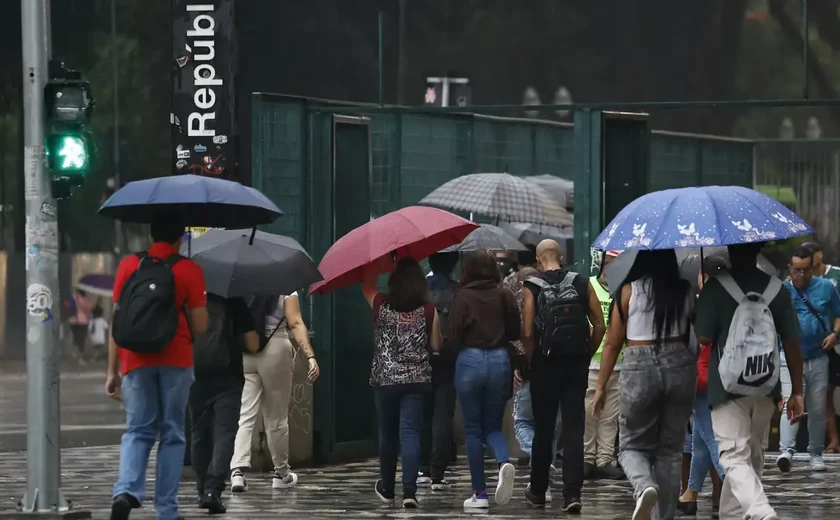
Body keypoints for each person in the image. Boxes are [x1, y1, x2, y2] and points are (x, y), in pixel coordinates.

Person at [106, 215, 208, 520]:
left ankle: (126, 492)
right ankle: (166, 510)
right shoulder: (189, 270)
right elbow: (201, 326)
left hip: (135, 360)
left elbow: (117, 323)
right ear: (181, 238)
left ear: (151, 235)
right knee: (172, 433)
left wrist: (112, 371)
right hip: (175, 359)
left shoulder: (129, 266)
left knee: (138, 430)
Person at [695, 242, 805, 520]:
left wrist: (701, 308)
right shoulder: (776, 289)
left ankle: (760, 511)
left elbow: (704, 337)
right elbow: (792, 342)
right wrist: (797, 391)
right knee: (753, 457)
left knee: (733, 457)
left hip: (727, 388)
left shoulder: (716, 287)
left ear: (729, 250)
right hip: (767, 385)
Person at [591, 249, 694, 520]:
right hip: (679, 365)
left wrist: (601, 386)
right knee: (670, 451)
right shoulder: (684, 290)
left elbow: (613, 343)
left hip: (640, 364)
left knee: (631, 447)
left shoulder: (628, 290)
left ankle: (644, 486)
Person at [524, 240, 606, 513]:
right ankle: (572, 494)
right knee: (573, 429)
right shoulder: (582, 283)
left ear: (538, 260)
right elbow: (600, 324)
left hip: (544, 366)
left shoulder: (532, 288)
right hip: (575, 366)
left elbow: (526, 333)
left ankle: (537, 491)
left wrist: (533, 359)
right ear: (561, 256)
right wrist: (586, 354)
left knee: (543, 429)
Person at [361, 257, 441, 508]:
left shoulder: (380, 304)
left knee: (387, 434)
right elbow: (437, 345)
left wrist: (378, 261)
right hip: (417, 380)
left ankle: (386, 487)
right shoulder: (429, 309)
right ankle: (409, 491)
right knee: (410, 434)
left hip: (385, 379)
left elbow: (366, 284)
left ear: (394, 281)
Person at [449, 249, 521, 510]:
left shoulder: (462, 295)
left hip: (470, 360)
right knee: (493, 427)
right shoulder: (504, 294)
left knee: (472, 429)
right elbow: (515, 331)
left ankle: (479, 494)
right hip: (500, 360)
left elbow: (453, 335)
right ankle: (504, 461)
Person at [229, 292, 320, 492]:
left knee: (245, 414)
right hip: (275, 346)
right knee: (276, 417)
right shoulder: (285, 283)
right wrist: (310, 355)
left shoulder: (242, 279)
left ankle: (237, 472)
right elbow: (295, 322)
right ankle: (281, 473)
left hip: (245, 347)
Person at [189, 294, 260, 514]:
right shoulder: (234, 302)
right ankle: (213, 489)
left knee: (198, 434)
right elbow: (253, 344)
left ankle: (202, 491)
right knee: (225, 434)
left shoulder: (186, 301)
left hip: (194, 376)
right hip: (228, 378)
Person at [776, 245, 840, 472]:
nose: (801, 275)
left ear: (812, 267)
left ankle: (815, 452)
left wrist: (834, 334)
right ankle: (786, 451)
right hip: (789, 357)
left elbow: (838, 314)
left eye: (806, 270)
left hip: (818, 356)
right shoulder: (782, 291)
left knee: (817, 407)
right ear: (790, 269)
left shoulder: (826, 287)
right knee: (790, 401)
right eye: (797, 270)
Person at [678, 255, 728, 516]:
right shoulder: (730, 300)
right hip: (722, 376)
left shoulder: (701, 303)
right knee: (698, 440)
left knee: (711, 439)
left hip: (701, 380)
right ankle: (690, 493)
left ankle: (735, 490)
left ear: (704, 277)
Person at [512, 267, 562, 503]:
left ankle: (538, 459)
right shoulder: (555, 295)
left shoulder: (521, 302)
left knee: (523, 421)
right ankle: (545, 474)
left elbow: (523, 337)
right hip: (556, 368)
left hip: (531, 371)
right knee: (548, 427)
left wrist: (520, 364)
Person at [418, 252, 458, 489]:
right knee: (444, 415)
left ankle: (422, 466)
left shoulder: (420, 289)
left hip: (421, 357)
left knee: (423, 413)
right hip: (449, 359)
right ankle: (438, 472)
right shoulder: (458, 290)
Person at [584, 249, 624, 480]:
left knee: (610, 415)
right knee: (589, 412)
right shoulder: (588, 285)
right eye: (608, 264)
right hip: (593, 360)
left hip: (620, 361)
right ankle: (587, 457)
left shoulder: (625, 289)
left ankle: (604, 459)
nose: (612, 269)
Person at [802, 241, 840, 454]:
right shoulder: (803, 281)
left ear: (820, 253)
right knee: (825, 394)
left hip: (837, 339)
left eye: (813, 255)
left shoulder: (835, 276)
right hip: (821, 346)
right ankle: (834, 440)